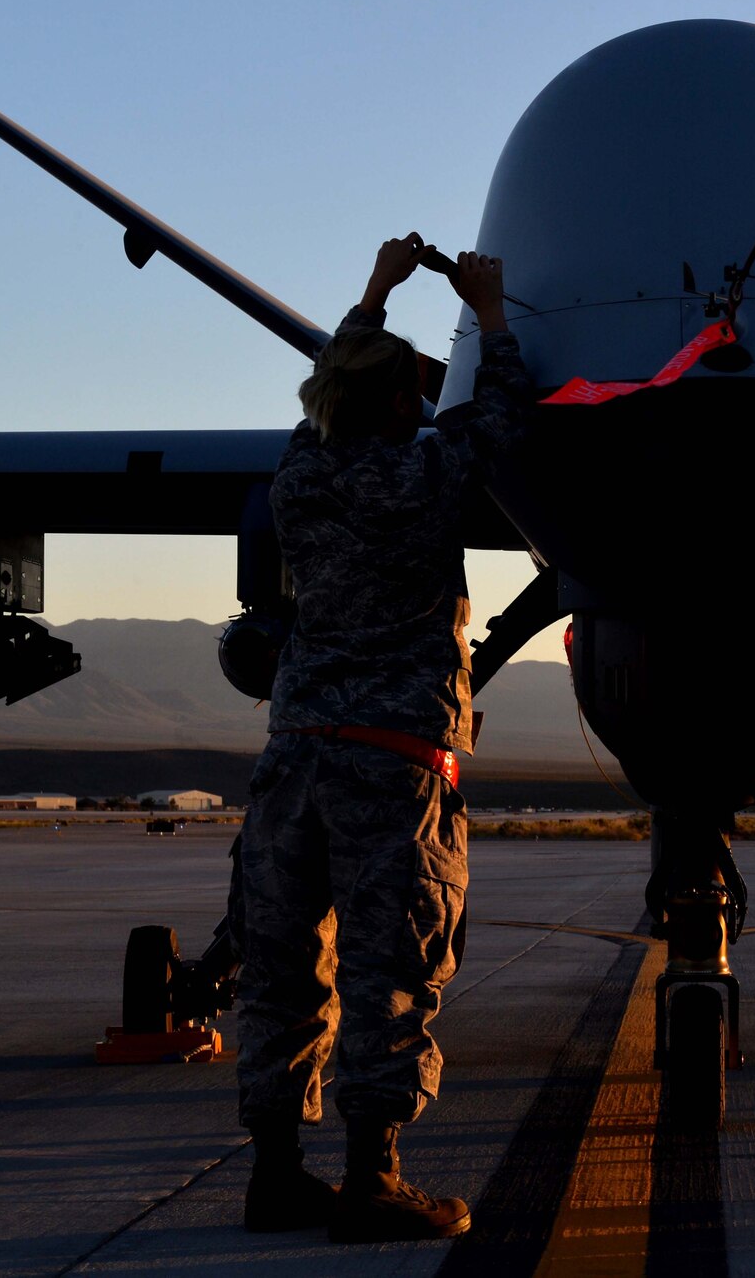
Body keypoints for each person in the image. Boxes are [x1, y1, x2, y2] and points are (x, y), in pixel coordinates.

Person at [234, 233, 534, 1243]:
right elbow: (503, 417)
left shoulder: (297, 479)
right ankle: (373, 1177)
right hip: (392, 766)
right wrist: (489, 312)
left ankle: (276, 1172)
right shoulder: (424, 474)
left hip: (293, 756)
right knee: (389, 968)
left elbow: (322, 391)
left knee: (282, 968)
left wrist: (374, 292)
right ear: (405, 403)